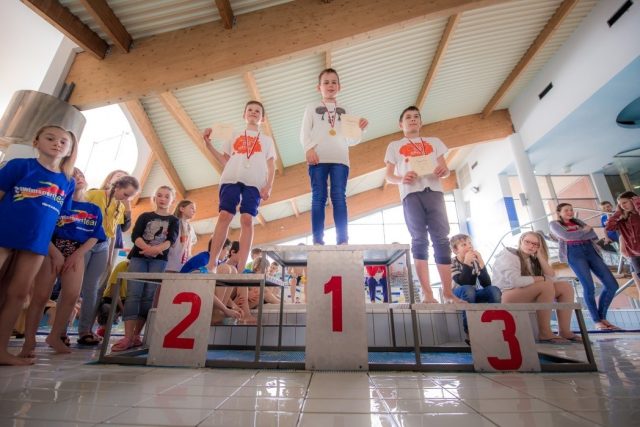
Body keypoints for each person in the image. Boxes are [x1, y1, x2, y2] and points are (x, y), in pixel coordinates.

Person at [0, 125, 77, 365]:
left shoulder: (67, 182)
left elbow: (53, 218)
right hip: (4, 234)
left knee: (18, 294)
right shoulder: (19, 166)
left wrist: (53, 251)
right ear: (36, 142)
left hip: (36, 243)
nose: (57, 144)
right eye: (50, 138)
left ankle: (1, 350)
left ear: (70, 150)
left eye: (63, 142)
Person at [19, 168, 106, 357]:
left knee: (72, 295)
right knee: (41, 296)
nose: (78, 178)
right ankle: (29, 339)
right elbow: (43, 229)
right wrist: (55, 253)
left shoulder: (93, 209)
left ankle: (55, 335)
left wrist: (78, 254)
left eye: (81, 175)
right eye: (73, 176)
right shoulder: (56, 203)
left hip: (77, 252)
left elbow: (95, 235)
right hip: (52, 249)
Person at [384, 106, 462, 304]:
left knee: (441, 239)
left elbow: (445, 169)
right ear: (400, 124)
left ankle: (448, 293)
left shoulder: (434, 142)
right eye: (408, 117)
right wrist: (402, 178)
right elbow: (389, 176)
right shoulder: (394, 146)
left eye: (416, 117)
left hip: (434, 191)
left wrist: (443, 171)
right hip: (411, 194)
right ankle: (428, 295)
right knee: (419, 239)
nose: (413, 119)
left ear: (421, 122)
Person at [203, 101, 276, 274]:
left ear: (263, 118)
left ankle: (242, 267)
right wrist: (208, 145)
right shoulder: (234, 134)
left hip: (255, 181)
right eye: (250, 110)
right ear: (244, 115)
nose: (253, 112)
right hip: (231, 177)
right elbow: (225, 160)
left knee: (247, 219)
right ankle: (211, 264)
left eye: (257, 111)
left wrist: (268, 186)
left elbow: (271, 165)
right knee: (225, 215)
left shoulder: (267, 141)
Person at [300, 68, 368, 245]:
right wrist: (308, 149)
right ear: (319, 87)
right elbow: (304, 132)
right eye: (326, 82)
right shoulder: (311, 108)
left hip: (340, 160)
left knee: (339, 197)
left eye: (334, 82)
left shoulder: (346, 109)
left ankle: (343, 240)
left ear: (339, 86)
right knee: (318, 197)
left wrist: (359, 130)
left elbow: (351, 141)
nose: (330, 85)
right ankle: (317, 241)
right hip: (318, 158)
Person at [111, 186, 179, 352]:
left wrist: (156, 250)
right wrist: (147, 249)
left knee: (148, 296)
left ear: (172, 200)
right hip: (139, 256)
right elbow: (135, 235)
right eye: (159, 195)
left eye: (166, 196)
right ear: (154, 198)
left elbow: (171, 240)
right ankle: (127, 336)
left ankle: (136, 335)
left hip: (159, 260)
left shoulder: (174, 220)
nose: (162, 199)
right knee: (133, 294)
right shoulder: (145, 216)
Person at [77, 175, 139, 345]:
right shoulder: (94, 195)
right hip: (84, 242)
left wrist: (109, 259)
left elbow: (112, 234)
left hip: (102, 246)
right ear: (117, 186)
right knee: (73, 288)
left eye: (129, 197)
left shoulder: (119, 205)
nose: (126, 199)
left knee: (92, 290)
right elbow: (76, 212)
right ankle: (60, 332)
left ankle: (84, 330)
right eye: (125, 194)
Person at [492, 231, 582, 343]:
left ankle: (564, 331)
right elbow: (516, 281)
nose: (531, 246)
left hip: (524, 292)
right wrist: (540, 278)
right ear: (521, 241)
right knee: (545, 285)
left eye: (535, 244)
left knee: (565, 287)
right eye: (527, 242)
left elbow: (552, 278)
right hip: (506, 294)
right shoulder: (509, 255)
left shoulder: (532, 259)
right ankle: (545, 333)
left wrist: (540, 256)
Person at [550, 203, 621, 331]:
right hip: (574, 253)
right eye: (566, 210)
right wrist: (583, 231)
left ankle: (602, 317)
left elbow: (592, 235)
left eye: (571, 210)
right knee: (589, 287)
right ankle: (597, 320)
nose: (570, 212)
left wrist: (579, 233)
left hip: (590, 250)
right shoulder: (554, 224)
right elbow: (566, 237)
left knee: (612, 285)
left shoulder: (578, 221)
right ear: (559, 213)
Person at [450, 234, 501, 335]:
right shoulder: (451, 262)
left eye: (470, 243)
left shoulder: (475, 261)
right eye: (464, 245)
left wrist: (481, 262)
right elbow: (463, 282)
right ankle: (469, 330)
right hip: (456, 295)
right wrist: (467, 262)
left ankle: (494, 325)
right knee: (468, 289)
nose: (469, 246)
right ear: (455, 250)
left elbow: (487, 284)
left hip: (473, 293)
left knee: (494, 290)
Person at [606, 191, 640, 295]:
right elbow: (609, 227)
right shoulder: (622, 218)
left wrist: (638, 204)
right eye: (620, 204)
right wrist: (618, 213)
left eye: (625, 202)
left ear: (633, 200)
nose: (623, 206)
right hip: (634, 254)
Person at [100, 170, 131, 267]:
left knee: (106, 270)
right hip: (94, 239)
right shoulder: (98, 195)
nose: (122, 180)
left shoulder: (123, 203)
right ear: (109, 180)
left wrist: (128, 211)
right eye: (119, 176)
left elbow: (124, 228)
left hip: (114, 243)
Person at [96, 259, 129, 337]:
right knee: (107, 308)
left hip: (126, 299)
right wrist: (122, 309)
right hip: (110, 298)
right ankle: (103, 328)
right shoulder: (123, 265)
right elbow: (113, 292)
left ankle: (132, 335)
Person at [165, 200, 197, 272]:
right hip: (170, 264)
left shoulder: (190, 228)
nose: (194, 211)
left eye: (195, 209)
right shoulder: (173, 223)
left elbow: (189, 248)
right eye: (192, 208)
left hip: (183, 266)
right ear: (182, 209)